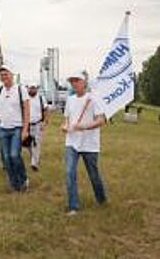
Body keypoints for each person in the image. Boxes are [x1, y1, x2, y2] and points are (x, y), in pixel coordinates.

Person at [61, 71, 107, 216]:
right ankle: (73, 206)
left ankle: (101, 199)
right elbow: (66, 119)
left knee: (93, 174)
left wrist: (85, 126)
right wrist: (64, 126)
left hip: (90, 144)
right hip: (72, 142)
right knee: (69, 172)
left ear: (84, 82)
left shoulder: (93, 99)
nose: (74, 83)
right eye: (72, 81)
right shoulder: (70, 100)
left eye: (77, 80)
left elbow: (101, 120)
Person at [0, 65, 30, 192]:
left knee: (14, 155)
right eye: (2, 75)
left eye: (6, 74)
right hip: (3, 128)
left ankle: (23, 179)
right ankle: (14, 184)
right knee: (7, 157)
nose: (4, 77)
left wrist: (25, 129)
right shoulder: (0, 89)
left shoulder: (21, 89)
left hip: (17, 128)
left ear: (12, 75)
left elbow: (26, 111)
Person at [27, 83, 49, 171]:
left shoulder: (41, 98)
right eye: (31, 88)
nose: (32, 90)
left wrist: (45, 122)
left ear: (36, 89)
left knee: (36, 143)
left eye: (34, 88)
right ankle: (34, 157)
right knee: (27, 143)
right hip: (27, 125)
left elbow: (46, 110)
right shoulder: (25, 98)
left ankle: (34, 163)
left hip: (37, 124)